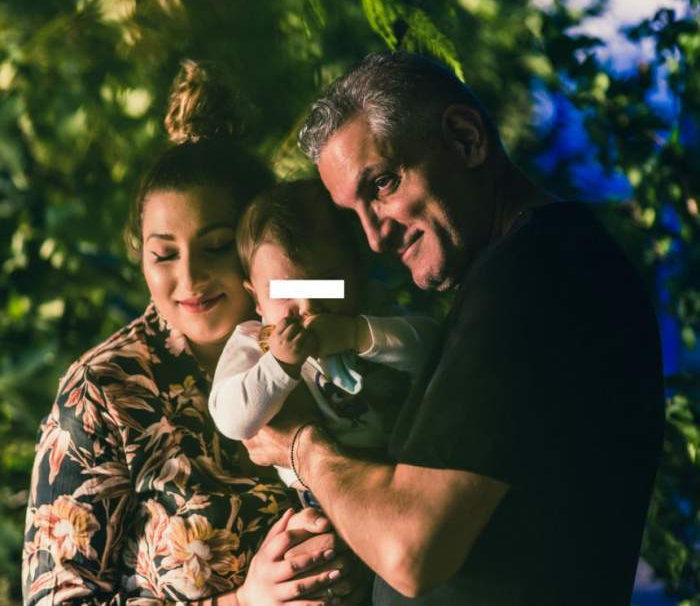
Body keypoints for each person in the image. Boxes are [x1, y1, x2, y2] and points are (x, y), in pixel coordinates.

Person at [242, 52, 666, 605]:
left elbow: (411, 551)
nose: (375, 238)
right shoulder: (535, 266)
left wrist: (302, 448)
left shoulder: (531, 276)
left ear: (465, 139)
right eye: (354, 214)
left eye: (384, 184)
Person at [21, 60, 367, 605]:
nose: (189, 278)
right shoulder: (106, 391)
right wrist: (243, 601)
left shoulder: (331, 338)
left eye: (216, 247)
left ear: (257, 247)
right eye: (164, 254)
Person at [208, 179, 438, 490]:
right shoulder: (255, 342)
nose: (309, 306)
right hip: (326, 492)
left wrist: (356, 334)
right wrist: (278, 365)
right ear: (256, 298)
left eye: (327, 283)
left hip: (412, 466)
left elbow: (435, 349)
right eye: (284, 292)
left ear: (356, 272)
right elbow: (231, 420)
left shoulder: (372, 308)